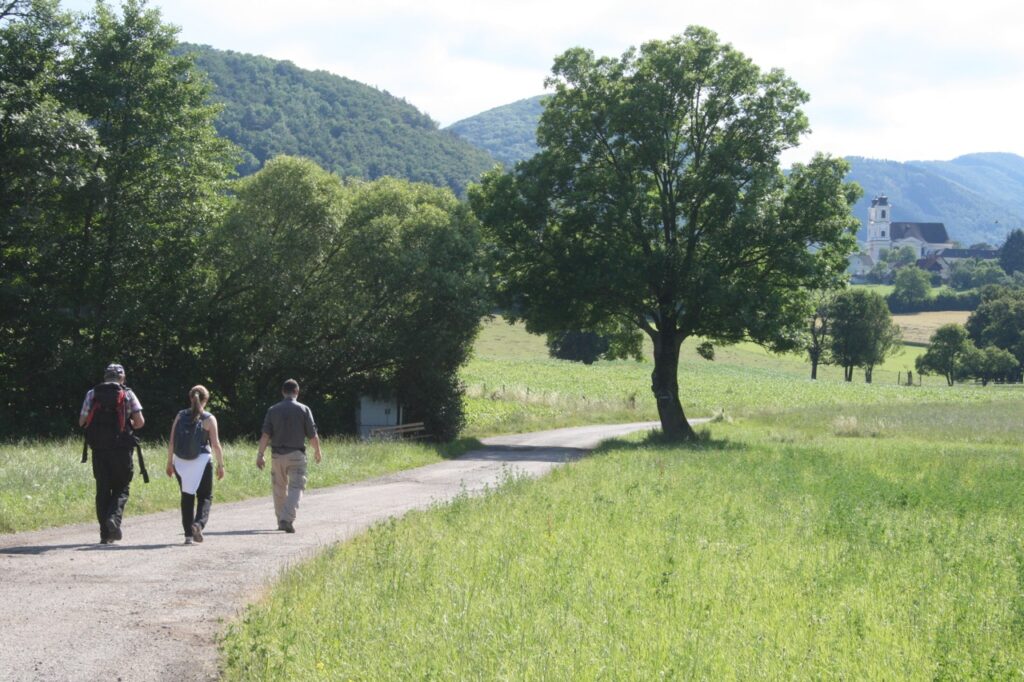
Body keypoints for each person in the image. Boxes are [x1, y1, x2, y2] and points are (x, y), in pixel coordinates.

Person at [79, 363, 144, 544]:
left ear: (105, 377)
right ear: (122, 377)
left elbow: (82, 421)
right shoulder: (128, 394)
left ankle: (104, 535)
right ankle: (113, 519)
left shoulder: (92, 394)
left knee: (102, 490)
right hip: (122, 450)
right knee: (122, 487)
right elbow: (139, 422)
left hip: (99, 450)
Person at [256, 379, 322, 533]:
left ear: (283, 392)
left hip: (277, 456)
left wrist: (260, 454)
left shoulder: (272, 410)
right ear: (297, 392)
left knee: (279, 489)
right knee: (296, 487)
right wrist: (317, 451)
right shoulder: (304, 409)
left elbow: (265, 435)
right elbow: (313, 435)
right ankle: (287, 518)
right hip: (296, 455)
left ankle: (281, 521)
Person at [166, 385, 226, 545]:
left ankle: (188, 536)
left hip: (180, 461)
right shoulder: (208, 418)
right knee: (205, 496)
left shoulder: (180, 415)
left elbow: (172, 441)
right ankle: (198, 524)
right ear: (205, 400)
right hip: (202, 460)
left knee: (187, 497)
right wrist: (221, 465)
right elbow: (216, 444)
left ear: (190, 398)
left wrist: (169, 463)